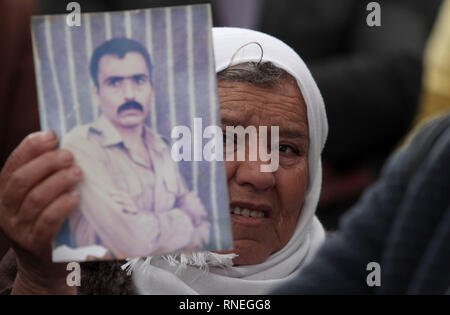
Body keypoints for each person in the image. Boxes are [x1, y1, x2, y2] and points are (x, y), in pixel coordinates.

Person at [0, 27, 328, 294]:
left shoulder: (357, 273)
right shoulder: (70, 270)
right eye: (223, 139)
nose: (259, 174)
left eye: (286, 148)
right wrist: (42, 283)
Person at [57, 37, 210, 260]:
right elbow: (132, 241)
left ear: (152, 89)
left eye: (139, 80)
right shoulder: (81, 146)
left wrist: (144, 219)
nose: (129, 94)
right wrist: (185, 216)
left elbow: (204, 230)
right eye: (114, 82)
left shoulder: (160, 147)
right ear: (96, 94)